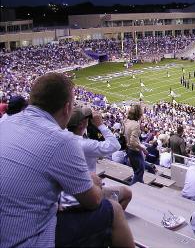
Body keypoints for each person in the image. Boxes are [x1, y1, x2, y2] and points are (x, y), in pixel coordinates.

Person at [0, 73, 134, 247]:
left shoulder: (5, 123)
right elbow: (93, 202)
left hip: (9, 227)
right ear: (66, 108)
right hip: (28, 240)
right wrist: (92, 183)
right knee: (114, 210)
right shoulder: (62, 140)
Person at [66, 106, 132, 209]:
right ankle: (106, 218)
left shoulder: (63, 138)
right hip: (85, 190)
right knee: (127, 193)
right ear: (81, 124)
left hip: (71, 187)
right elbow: (115, 145)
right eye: (86, 119)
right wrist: (100, 125)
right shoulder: (85, 145)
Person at [123, 104, 148, 184]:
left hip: (129, 149)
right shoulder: (136, 125)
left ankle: (140, 185)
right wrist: (143, 149)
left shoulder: (126, 121)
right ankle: (135, 190)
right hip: (135, 151)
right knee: (139, 172)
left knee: (137, 171)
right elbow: (133, 141)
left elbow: (125, 134)